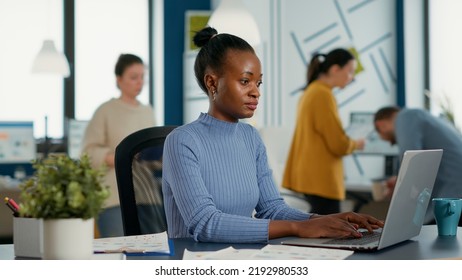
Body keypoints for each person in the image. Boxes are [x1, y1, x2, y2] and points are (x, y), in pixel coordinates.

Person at [161, 27, 383, 243]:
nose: (256, 91)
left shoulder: (251, 138)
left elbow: (272, 209)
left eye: (258, 83)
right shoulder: (182, 141)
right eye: (245, 81)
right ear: (212, 82)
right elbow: (204, 223)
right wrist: (300, 227)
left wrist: (324, 220)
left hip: (243, 259)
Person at [282, 48, 365, 215]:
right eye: (349, 72)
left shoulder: (311, 91)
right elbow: (338, 144)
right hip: (321, 180)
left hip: (311, 177)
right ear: (335, 69)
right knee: (330, 233)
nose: (352, 77)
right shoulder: (323, 95)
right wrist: (356, 144)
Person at [82, 53, 155, 237]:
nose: (139, 82)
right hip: (114, 197)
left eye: (142, 77)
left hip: (147, 195)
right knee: (118, 252)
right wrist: (119, 158)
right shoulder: (105, 111)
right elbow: (87, 153)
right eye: (133, 77)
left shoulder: (148, 112)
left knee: (152, 252)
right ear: (119, 79)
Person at [374, 106, 462, 226]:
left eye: (391, 141)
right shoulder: (423, 116)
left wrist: (399, 186)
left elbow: (412, 161)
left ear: (380, 125)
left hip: (454, 190)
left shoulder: (405, 117)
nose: (392, 143)